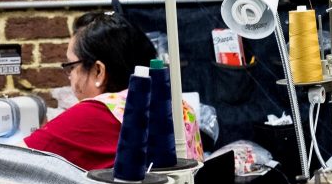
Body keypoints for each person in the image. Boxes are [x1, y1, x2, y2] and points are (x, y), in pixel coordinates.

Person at [25, 11, 202, 170]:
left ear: (98, 71)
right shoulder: (180, 106)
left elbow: (11, 160)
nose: (70, 75)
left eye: (71, 66)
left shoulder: (95, 113)